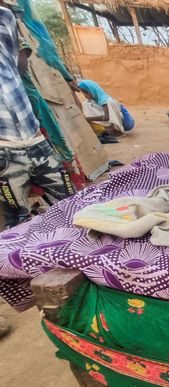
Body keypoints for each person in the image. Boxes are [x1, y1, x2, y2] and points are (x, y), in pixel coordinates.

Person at [1, 5, 74, 229]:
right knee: (17, 218)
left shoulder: (5, 16)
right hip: (3, 151)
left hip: (35, 139)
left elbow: (19, 62)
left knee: (73, 204)